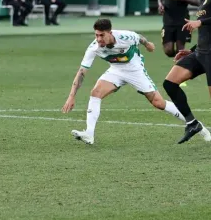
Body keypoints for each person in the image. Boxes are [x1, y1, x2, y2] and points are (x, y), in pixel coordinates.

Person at [61, 18, 211, 145]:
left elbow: (139, 37)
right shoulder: (94, 48)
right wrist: (71, 96)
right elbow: (81, 72)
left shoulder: (125, 36)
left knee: (158, 103)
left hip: (135, 70)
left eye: (102, 35)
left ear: (110, 33)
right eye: (96, 35)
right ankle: (89, 133)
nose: (99, 39)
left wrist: (148, 44)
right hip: (116, 70)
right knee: (95, 93)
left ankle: (197, 126)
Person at [163, 0, 211, 144]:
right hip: (201, 53)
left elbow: (204, 23)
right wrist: (190, 50)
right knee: (170, 83)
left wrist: (200, 21)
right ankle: (192, 123)